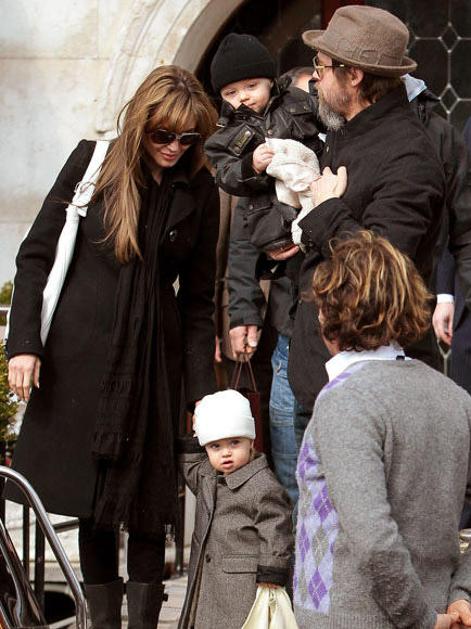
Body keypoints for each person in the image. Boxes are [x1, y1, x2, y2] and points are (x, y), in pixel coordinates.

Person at [5, 65, 219, 628]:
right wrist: (23, 345)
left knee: (149, 504)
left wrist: (200, 392)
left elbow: (199, 301)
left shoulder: (200, 188)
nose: (174, 148)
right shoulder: (93, 163)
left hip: (154, 362)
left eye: (188, 138)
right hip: (81, 358)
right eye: (164, 135)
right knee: (93, 503)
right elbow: (36, 254)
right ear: (141, 123)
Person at [264, 5, 446, 444]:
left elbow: (383, 271)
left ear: (355, 76)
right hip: (321, 375)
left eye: (322, 66)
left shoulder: (408, 155)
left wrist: (326, 210)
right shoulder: (347, 130)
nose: (316, 78)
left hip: (367, 393)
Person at [294, 230, 471, 629]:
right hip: (431, 608)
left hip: (353, 617)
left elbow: (373, 537)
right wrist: (462, 594)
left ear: (327, 313)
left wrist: (424, 617)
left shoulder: (345, 400)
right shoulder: (455, 398)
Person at [178, 389, 293, 629]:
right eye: (215, 446)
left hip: (242, 585)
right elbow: (190, 466)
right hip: (209, 583)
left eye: (235, 442)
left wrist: (272, 570)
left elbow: (276, 527)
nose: (226, 452)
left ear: (250, 441)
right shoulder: (208, 477)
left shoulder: (262, 485)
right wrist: (196, 432)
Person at [205, 32, 322, 254]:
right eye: (231, 92)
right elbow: (225, 176)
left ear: (270, 81)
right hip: (273, 219)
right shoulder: (223, 137)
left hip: (317, 192)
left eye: (251, 86)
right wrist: (250, 165)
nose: (243, 96)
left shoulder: (295, 98)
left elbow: (329, 121)